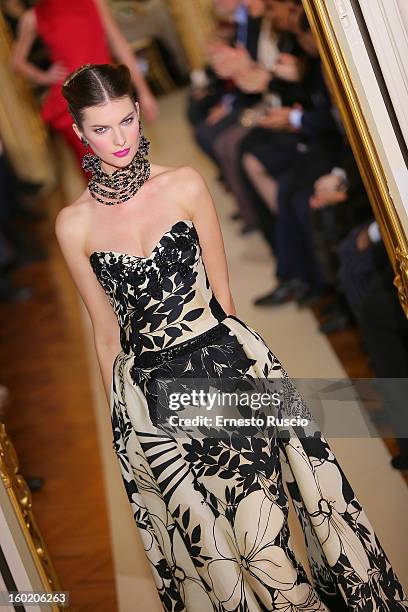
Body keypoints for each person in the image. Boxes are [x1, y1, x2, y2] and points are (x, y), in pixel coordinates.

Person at [55, 63, 407, 611]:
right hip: (149, 404)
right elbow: (106, 336)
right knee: (218, 562)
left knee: (265, 544)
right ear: (79, 132)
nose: (120, 139)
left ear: (138, 112)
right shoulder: (73, 225)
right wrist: (128, 436)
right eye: (102, 129)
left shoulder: (184, 185)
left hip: (221, 374)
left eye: (126, 120)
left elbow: (224, 302)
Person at [11, 0, 158, 168]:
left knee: (130, 163)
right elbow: (17, 62)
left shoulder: (93, 1)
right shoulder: (33, 17)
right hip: (73, 105)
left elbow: (118, 43)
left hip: (107, 94)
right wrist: (44, 76)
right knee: (100, 174)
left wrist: (143, 91)